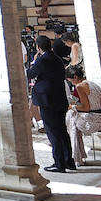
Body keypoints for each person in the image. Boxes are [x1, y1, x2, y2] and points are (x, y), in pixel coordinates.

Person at [29, 35, 73, 172]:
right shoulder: (57, 58)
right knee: (62, 131)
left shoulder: (43, 59)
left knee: (53, 132)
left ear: (38, 47)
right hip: (60, 97)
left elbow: (30, 73)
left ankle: (59, 163)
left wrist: (35, 61)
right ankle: (68, 161)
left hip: (48, 100)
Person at [65, 64, 101, 166]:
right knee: (72, 118)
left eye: (71, 81)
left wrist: (71, 107)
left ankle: (76, 157)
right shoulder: (91, 83)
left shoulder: (80, 86)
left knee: (70, 118)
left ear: (75, 77)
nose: (71, 83)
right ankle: (78, 155)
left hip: (94, 120)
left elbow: (85, 108)